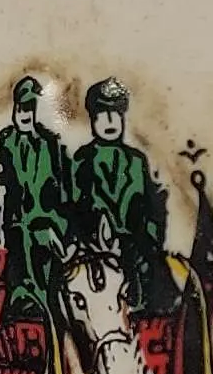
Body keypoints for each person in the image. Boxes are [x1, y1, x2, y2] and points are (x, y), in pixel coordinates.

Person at [67, 78, 171, 309]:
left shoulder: (136, 160)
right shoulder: (83, 159)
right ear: (93, 120)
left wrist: (150, 235)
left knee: (159, 283)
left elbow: (150, 202)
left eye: (115, 114)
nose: (109, 121)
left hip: (135, 243)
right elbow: (75, 204)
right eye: (102, 115)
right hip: (97, 245)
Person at [0, 76, 72, 317]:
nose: (24, 114)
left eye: (29, 108)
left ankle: (49, 307)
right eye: (20, 108)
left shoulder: (51, 145)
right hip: (17, 224)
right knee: (21, 252)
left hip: (46, 222)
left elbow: (63, 190)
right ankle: (23, 302)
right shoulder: (5, 142)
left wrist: (58, 227)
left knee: (46, 262)